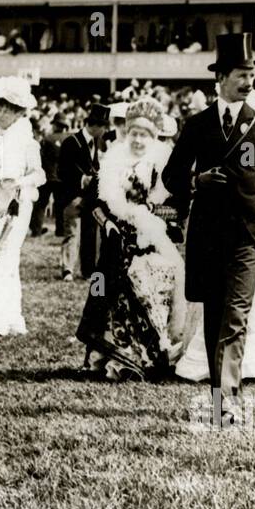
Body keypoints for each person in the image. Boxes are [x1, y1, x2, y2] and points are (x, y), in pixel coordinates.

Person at [164, 33, 255, 427]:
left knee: (236, 316)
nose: (248, 82)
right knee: (217, 316)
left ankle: (228, 403)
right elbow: (171, 176)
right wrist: (196, 181)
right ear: (219, 78)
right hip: (208, 236)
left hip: (249, 238)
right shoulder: (198, 125)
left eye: (251, 74)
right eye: (240, 74)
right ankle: (221, 396)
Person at [78, 97, 193, 380]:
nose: (138, 140)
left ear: (153, 137)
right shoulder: (113, 160)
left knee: (148, 293)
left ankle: (144, 357)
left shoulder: (165, 164)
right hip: (116, 240)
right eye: (134, 134)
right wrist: (108, 224)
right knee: (103, 292)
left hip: (151, 241)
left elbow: (180, 206)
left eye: (144, 135)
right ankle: (102, 356)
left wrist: (151, 213)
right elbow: (94, 201)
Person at [0, 76, 44, 337]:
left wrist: (19, 182)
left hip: (17, 204)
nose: (2, 112)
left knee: (5, 258)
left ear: (18, 111)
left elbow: (40, 175)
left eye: (9, 108)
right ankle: (6, 315)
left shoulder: (26, 140)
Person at [57, 104, 109, 281]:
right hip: (72, 196)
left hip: (90, 198)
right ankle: (68, 269)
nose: (104, 131)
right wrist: (81, 179)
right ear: (96, 126)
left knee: (89, 234)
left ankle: (88, 270)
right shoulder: (71, 142)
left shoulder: (97, 143)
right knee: (72, 232)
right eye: (103, 127)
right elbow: (62, 171)